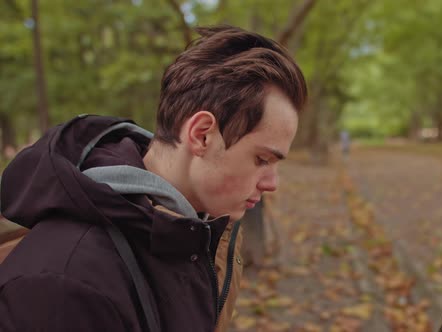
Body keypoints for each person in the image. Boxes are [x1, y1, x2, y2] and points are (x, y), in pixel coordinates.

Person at [0, 25, 307, 332]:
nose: (272, 183)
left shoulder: (204, 231)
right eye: (262, 160)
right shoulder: (62, 286)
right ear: (202, 135)